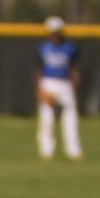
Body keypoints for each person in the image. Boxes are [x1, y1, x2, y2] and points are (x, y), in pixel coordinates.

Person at [35, 15, 83, 160]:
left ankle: (73, 151)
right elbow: (37, 69)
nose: (55, 34)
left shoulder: (70, 48)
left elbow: (74, 67)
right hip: (48, 82)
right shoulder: (43, 48)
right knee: (47, 118)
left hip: (64, 83)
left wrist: (75, 80)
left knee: (70, 117)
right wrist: (38, 88)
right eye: (52, 31)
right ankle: (47, 151)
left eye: (57, 31)